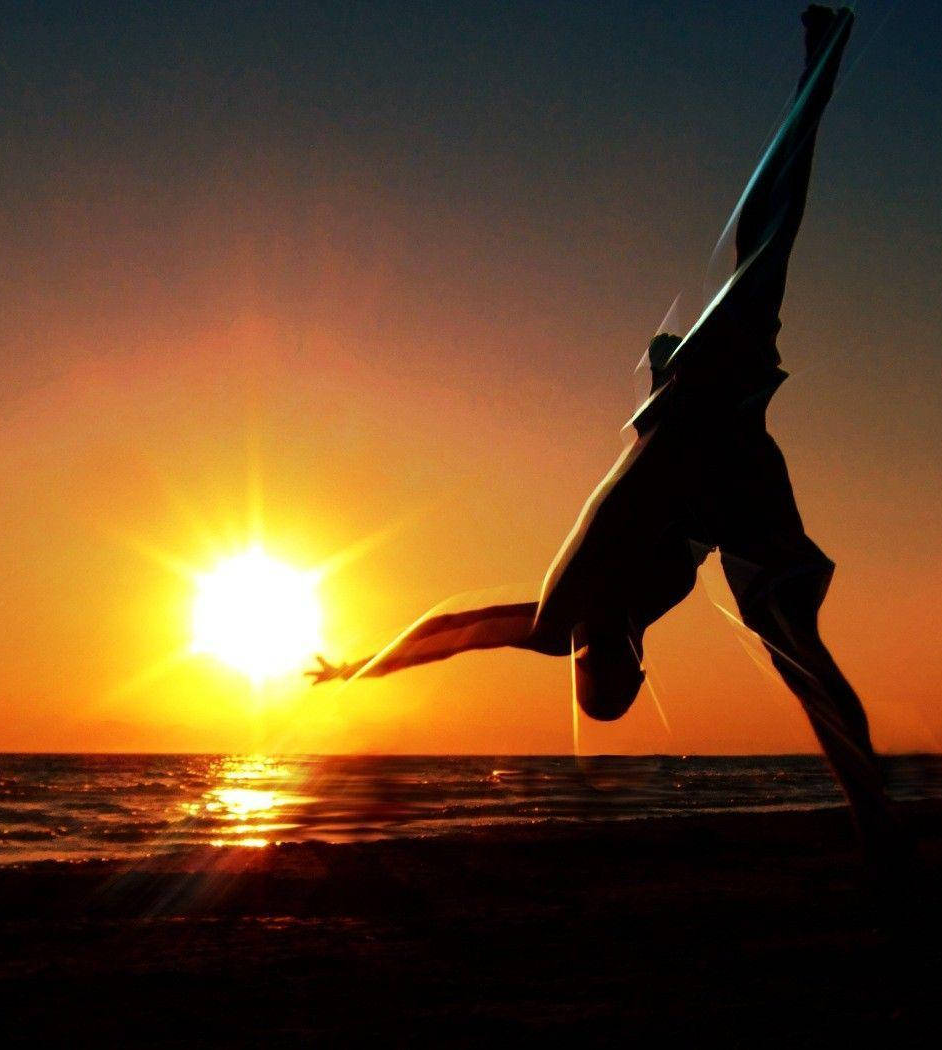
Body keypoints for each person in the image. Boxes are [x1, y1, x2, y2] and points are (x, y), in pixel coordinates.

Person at [310, 6, 904, 862]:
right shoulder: (634, 612)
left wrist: (360, 668)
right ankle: (874, 812)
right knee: (789, 636)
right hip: (729, 478)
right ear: (637, 666)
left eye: (596, 663)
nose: (603, 648)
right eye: (617, 664)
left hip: (697, 414)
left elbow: (455, 630)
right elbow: (465, 630)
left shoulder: (557, 622)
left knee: (765, 245)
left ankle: (820, 63)